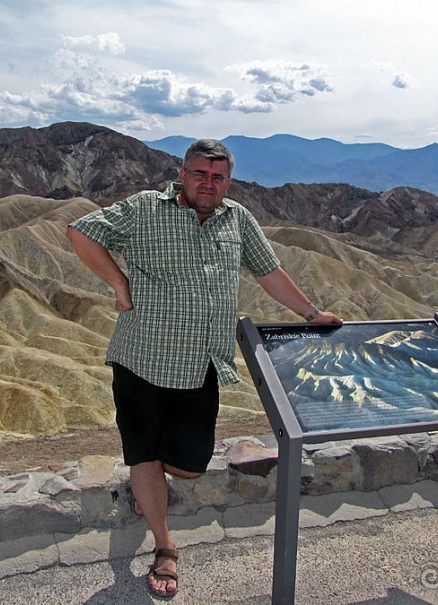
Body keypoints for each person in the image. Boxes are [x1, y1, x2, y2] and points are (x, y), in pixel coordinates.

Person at [66, 139, 342, 599]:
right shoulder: (145, 209)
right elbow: (81, 232)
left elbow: (269, 271)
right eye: (199, 174)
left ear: (228, 181)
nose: (207, 183)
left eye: (217, 177)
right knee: (144, 455)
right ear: (182, 174)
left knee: (190, 465)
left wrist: (311, 314)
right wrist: (118, 283)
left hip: (200, 364)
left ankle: (147, 486)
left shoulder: (238, 219)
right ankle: (164, 545)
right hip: (141, 359)